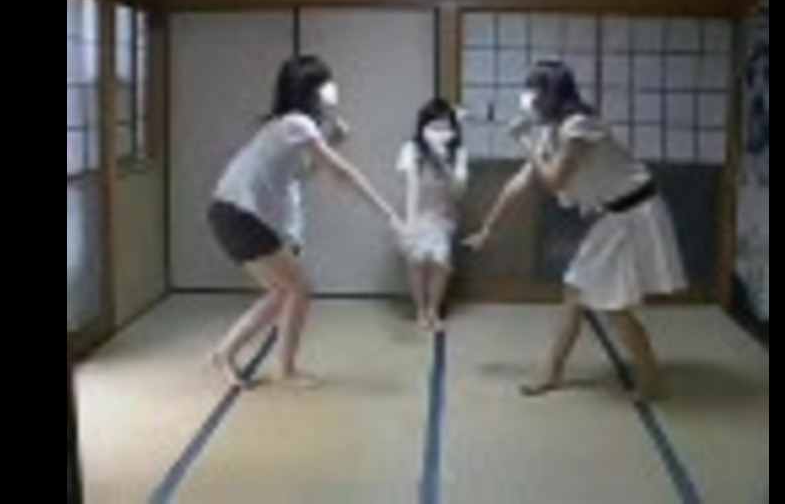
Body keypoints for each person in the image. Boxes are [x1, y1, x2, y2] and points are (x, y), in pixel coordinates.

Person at [465, 61, 686, 400]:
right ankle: (552, 371)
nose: (526, 99)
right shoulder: (549, 132)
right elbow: (519, 184)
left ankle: (651, 378)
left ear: (550, 94)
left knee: (612, 305)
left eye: (532, 91)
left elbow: (554, 181)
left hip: (637, 212)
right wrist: (487, 229)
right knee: (576, 291)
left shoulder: (580, 126)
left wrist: (524, 140)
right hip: (616, 215)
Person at [208, 55, 403, 388]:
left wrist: (332, 141)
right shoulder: (297, 123)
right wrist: (389, 214)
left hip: (229, 212)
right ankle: (285, 370)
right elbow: (342, 173)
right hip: (239, 215)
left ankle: (226, 353)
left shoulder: (286, 125)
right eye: (325, 84)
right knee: (298, 288)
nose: (331, 90)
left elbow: (300, 174)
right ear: (311, 91)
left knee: (282, 291)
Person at [396, 98, 469, 331]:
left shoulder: (458, 151)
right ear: (423, 126)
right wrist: (409, 225)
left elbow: (459, 190)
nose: (439, 131)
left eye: (444, 126)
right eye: (433, 125)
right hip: (415, 211)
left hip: (443, 213)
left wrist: (442, 160)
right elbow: (411, 186)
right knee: (416, 261)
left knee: (441, 262)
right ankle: (420, 309)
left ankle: (433, 310)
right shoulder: (411, 148)